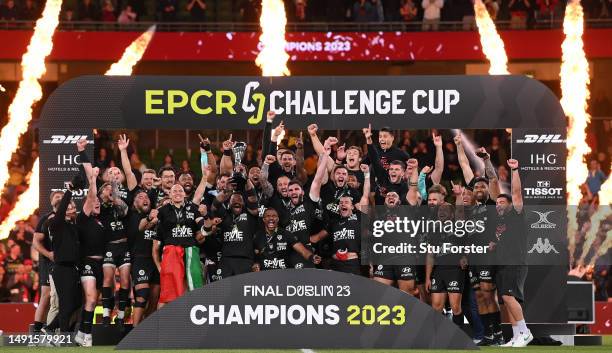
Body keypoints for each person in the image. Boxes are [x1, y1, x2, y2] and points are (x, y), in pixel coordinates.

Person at [493, 159, 533, 347]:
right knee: (508, 299)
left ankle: (525, 332)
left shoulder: (516, 213)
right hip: (503, 264)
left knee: (509, 297)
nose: (499, 204)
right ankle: (517, 336)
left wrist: (515, 169)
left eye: (502, 201)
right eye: (497, 202)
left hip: (515, 262)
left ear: (510, 205)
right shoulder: (499, 222)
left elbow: (516, 193)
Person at [153, 184, 206, 308]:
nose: (177, 192)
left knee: (192, 288)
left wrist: (207, 221)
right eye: (174, 190)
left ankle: (191, 323)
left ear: (185, 194)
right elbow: (155, 243)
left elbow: (204, 228)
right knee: (167, 294)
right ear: (170, 195)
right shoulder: (162, 211)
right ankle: (161, 325)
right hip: (171, 252)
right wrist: (159, 266)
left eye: (180, 190)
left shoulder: (192, 208)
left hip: (190, 251)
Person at [74, 168, 105, 347]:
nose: (97, 203)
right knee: (91, 298)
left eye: (99, 202)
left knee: (93, 302)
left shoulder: (101, 222)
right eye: (95, 202)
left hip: (101, 265)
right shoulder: (83, 219)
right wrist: (92, 180)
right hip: (87, 262)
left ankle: (84, 333)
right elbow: (92, 197)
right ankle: (85, 334)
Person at [47, 187, 80, 336]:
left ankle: (49, 328)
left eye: (73, 206)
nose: (72, 208)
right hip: (61, 269)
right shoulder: (55, 223)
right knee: (66, 305)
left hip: (73, 269)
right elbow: (60, 213)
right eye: (69, 206)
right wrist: (70, 191)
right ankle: (63, 336)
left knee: (76, 303)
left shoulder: (72, 226)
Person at [31, 191, 64, 335]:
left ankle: (57, 330)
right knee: (46, 295)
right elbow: (35, 242)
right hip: (48, 262)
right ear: (51, 202)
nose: (60, 199)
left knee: (63, 297)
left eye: (62, 197)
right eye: (57, 197)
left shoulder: (70, 217)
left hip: (66, 262)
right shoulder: (45, 218)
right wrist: (49, 254)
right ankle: (36, 332)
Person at [253, 208, 321, 271]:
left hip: (283, 274)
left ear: (278, 219)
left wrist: (312, 257)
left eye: (274, 216)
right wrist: (256, 265)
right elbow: (256, 257)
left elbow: (302, 251)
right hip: (265, 275)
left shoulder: (286, 234)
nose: (271, 218)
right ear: (264, 219)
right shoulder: (258, 236)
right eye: (268, 216)